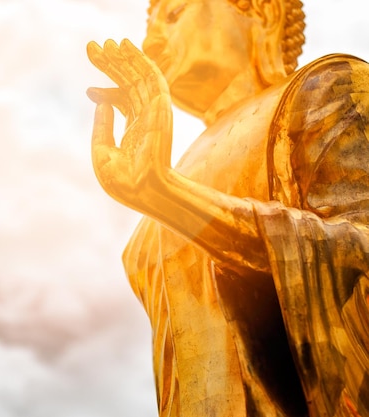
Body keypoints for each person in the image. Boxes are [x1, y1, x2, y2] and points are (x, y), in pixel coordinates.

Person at [87, 1, 369, 416]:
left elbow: (358, 253)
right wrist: (160, 192)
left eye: (174, 13)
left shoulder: (328, 88)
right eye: (150, 24)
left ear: (264, 13)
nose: (151, 41)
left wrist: (167, 195)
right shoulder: (166, 172)